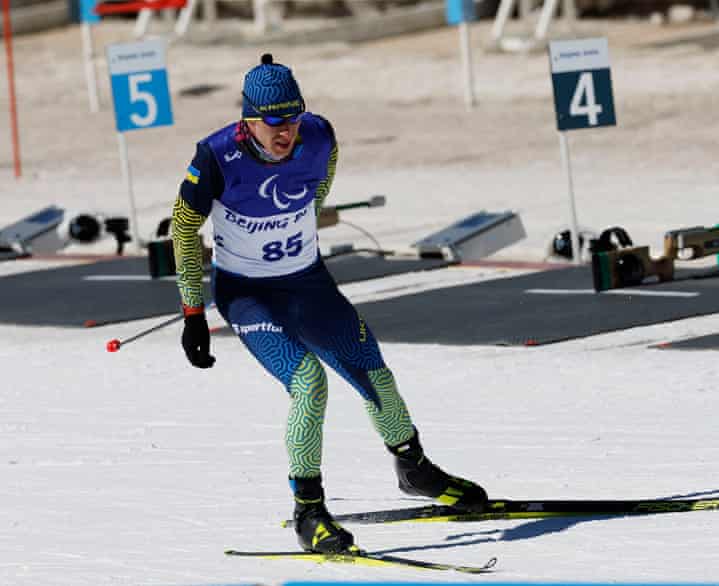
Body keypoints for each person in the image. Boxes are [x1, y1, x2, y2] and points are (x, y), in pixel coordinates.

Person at [170, 53, 487, 554]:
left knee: (374, 373)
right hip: (249, 295)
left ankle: (415, 469)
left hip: (308, 282)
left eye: (293, 117)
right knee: (309, 383)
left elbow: (318, 190)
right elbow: (183, 229)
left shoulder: (320, 136)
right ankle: (309, 512)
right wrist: (193, 313)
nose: (286, 131)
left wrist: (295, 229)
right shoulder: (214, 157)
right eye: (274, 121)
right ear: (248, 120)